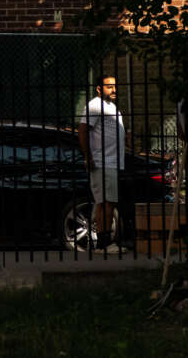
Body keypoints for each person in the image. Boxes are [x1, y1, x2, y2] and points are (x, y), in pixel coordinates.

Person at [77, 75, 126, 252]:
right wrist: (88, 157)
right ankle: (104, 243)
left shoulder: (111, 107)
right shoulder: (95, 105)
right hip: (102, 162)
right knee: (105, 202)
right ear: (99, 89)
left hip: (111, 162)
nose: (114, 90)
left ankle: (104, 242)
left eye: (115, 86)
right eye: (109, 87)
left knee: (108, 202)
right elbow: (82, 131)